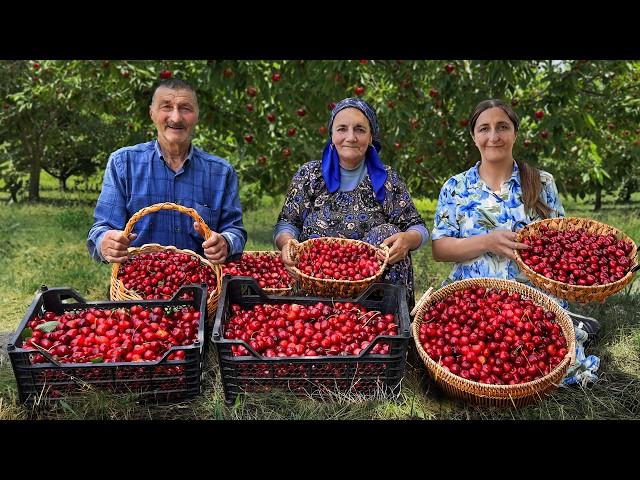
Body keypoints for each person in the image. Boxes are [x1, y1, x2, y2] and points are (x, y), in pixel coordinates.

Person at [431, 98, 599, 384]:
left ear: (515, 133)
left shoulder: (541, 182)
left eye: (502, 127)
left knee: (546, 360)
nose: (493, 136)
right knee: (464, 357)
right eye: (484, 129)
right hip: (473, 297)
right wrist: (487, 241)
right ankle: (577, 323)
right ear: (473, 136)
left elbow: (560, 246)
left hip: (530, 298)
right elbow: (440, 248)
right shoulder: (456, 187)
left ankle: (572, 323)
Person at [274, 97, 429, 308]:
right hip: (315, 284)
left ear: (371, 136)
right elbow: (287, 223)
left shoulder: (387, 179)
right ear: (332, 135)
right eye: (342, 129)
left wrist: (409, 239)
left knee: (387, 232)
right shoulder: (310, 175)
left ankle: (390, 323)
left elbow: (417, 226)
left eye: (359, 129)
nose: (350, 137)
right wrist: (286, 243)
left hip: (373, 294)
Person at [87, 78, 247, 265]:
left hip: (203, 288)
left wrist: (226, 243)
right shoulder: (123, 163)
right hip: (137, 286)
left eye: (185, 108)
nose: (176, 117)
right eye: (166, 107)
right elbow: (100, 229)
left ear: (197, 115)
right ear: (152, 113)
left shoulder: (221, 172)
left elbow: (235, 231)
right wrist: (105, 242)